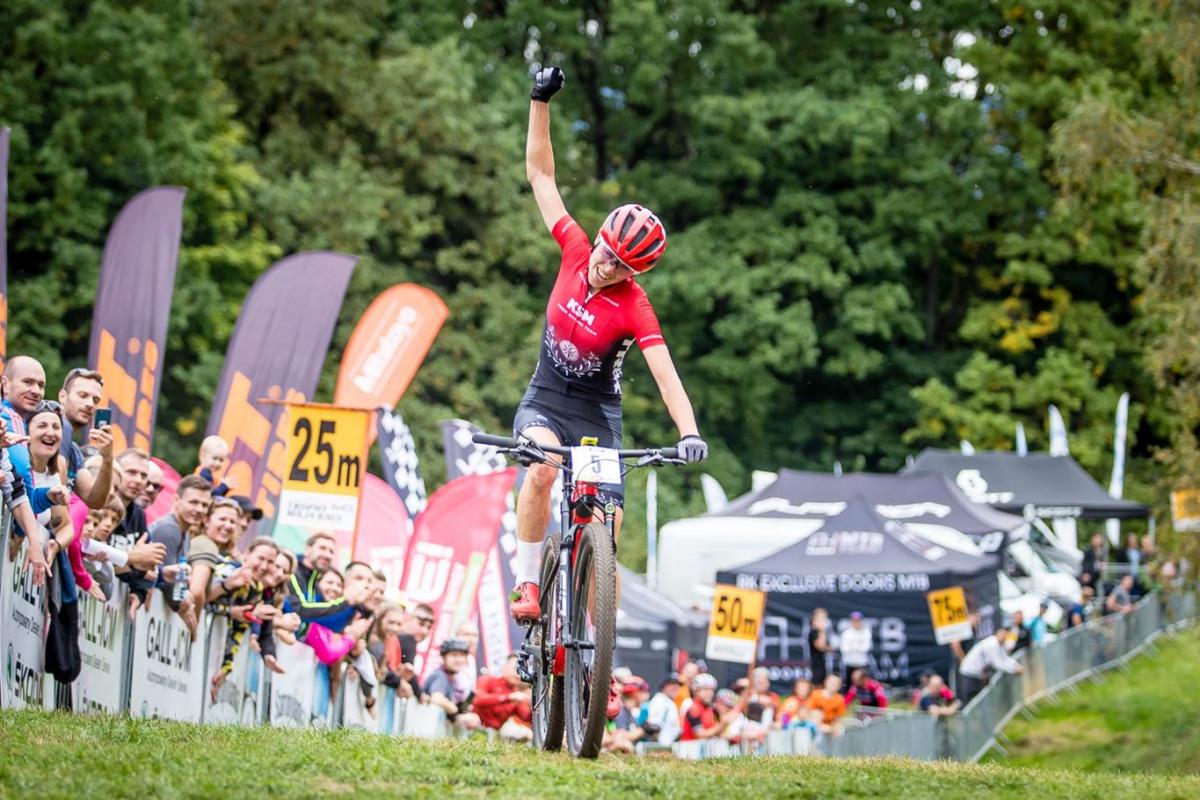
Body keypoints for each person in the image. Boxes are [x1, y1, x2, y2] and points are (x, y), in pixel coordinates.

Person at [508, 64, 707, 633]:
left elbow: (665, 375)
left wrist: (689, 432)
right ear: (597, 237)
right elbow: (540, 174)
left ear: (634, 272)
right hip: (546, 399)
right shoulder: (575, 248)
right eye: (606, 251)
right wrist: (539, 100)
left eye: (620, 265)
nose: (605, 265)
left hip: (597, 415)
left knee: (608, 529)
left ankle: (598, 654)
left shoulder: (634, 306)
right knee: (542, 471)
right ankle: (527, 579)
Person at [423, 638, 481, 731]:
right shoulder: (440, 676)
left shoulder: (453, 678)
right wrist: (455, 713)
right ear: (444, 657)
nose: (459, 659)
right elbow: (436, 698)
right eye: (454, 655)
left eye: (462, 655)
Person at [473, 653, 533, 741]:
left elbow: (526, 717)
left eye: (522, 670)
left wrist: (533, 703)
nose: (518, 674)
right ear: (504, 667)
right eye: (515, 669)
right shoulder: (488, 679)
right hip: (476, 725)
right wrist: (508, 697)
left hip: (497, 732)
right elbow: (478, 700)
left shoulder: (516, 693)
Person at [958, 624, 1024, 701]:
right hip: (969, 673)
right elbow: (997, 663)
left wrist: (1016, 665)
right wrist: (1014, 670)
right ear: (997, 633)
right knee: (970, 699)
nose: (1003, 636)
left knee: (978, 698)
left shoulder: (999, 644)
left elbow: (1004, 658)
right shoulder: (992, 644)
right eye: (1002, 633)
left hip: (977, 674)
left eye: (1005, 634)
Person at [680, 674, 734, 741]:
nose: (709, 693)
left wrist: (731, 736)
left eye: (711, 690)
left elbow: (714, 732)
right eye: (705, 689)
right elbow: (700, 734)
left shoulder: (710, 709)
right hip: (690, 746)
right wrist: (722, 725)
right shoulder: (693, 708)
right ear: (695, 690)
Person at [639, 675, 683, 745]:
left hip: (669, 744)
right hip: (660, 745)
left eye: (677, 685)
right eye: (672, 684)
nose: (676, 687)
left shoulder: (668, 701)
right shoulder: (660, 700)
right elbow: (654, 726)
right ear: (664, 686)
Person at [839, 611, 872, 680]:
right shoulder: (846, 633)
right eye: (854, 621)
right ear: (851, 621)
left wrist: (852, 645)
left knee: (862, 684)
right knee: (848, 683)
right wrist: (858, 645)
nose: (856, 623)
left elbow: (865, 648)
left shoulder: (866, 633)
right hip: (849, 663)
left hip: (862, 663)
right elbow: (844, 649)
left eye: (858, 621)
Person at [808, 608, 830, 687]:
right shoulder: (813, 633)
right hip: (816, 665)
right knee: (816, 684)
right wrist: (822, 631)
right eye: (820, 619)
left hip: (823, 664)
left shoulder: (823, 634)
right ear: (814, 621)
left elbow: (829, 648)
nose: (823, 622)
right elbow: (820, 647)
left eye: (824, 619)